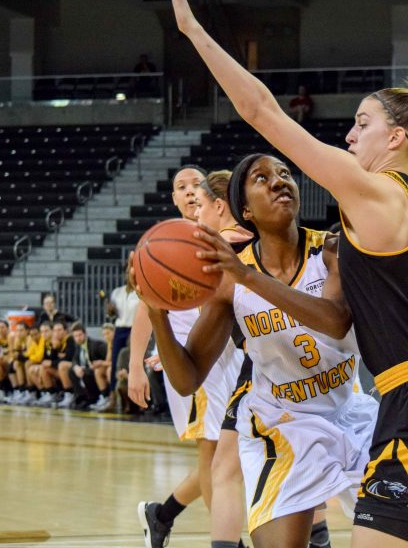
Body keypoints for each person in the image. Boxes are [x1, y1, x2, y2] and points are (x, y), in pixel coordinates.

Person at [171, 0, 408, 547]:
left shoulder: (372, 190)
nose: (349, 137)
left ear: (395, 138)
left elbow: (261, 113)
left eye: (361, 123)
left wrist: (195, 33)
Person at [133, 154, 378, 548]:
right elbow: (186, 378)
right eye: (262, 178)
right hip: (283, 424)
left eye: (284, 174)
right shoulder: (229, 282)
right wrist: (157, 315)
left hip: (349, 412)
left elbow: (336, 322)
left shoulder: (332, 250)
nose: (279, 181)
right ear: (244, 209)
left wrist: (248, 275)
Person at [128, 165, 243, 548]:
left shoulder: (220, 236)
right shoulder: (164, 246)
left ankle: (160, 515)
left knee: (230, 453)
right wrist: (136, 369)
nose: (191, 191)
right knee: (215, 454)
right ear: (174, 199)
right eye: (182, 187)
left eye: (197, 184)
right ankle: (228, 541)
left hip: (230, 356)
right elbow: (145, 310)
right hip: (194, 367)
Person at [107, 279, 140, 407]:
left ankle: (133, 400)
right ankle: (113, 397)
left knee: (132, 361)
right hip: (120, 328)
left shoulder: (140, 291)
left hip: (135, 327)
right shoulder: (116, 292)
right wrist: (110, 310)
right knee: (115, 363)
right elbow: (111, 315)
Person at [68, 322, 110, 409]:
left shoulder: (97, 345)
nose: (78, 338)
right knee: (72, 371)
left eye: (80, 335)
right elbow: (74, 360)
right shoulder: (78, 346)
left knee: (86, 372)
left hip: (95, 371)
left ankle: (98, 397)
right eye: (75, 336)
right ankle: (81, 398)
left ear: (85, 334)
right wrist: (76, 367)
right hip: (87, 370)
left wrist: (99, 363)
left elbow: (107, 359)